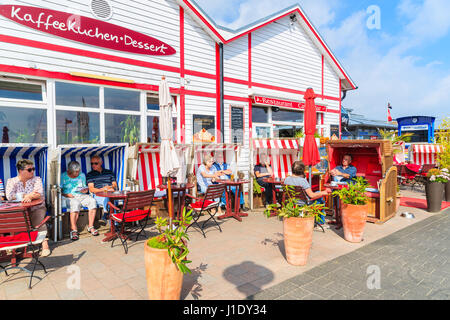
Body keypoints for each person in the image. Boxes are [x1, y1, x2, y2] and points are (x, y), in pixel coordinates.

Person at [5, 159, 50, 256]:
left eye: (33, 169)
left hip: (37, 207)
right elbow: (9, 196)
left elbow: (39, 193)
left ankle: (45, 245)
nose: (32, 171)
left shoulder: (36, 179)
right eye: (29, 170)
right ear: (20, 171)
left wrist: (29, 196)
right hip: (19, 210)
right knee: (16, 220)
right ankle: (15, 245)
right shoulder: (12, 181)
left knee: (38, 218)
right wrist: (27, 195)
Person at [284, 161, 332, 226]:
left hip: (292, 202)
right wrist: (324, 192)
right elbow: (312, 195)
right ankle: (320, 222)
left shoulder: (287, 179)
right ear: (302, 170)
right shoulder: (302, 181)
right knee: (319, 197)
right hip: (302, 203)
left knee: (318, 194)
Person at [61, 161, 99, 240]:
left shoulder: (82, 175)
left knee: (92, 201)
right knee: (75, 203)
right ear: (70, 171)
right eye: (76, 172)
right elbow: (59, 190)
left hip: (80, 195)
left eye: (78, 171)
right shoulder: (63, 176)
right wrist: (66, 194)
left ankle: (91, 226)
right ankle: (73, 229)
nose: (78, 173)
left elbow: (84, 187)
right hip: (68, 196)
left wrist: (84, 190)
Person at [86, 155, 118, 223]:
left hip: (110, 193)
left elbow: (114, 185)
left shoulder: (109, 172)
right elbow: (91, 189)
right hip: (98, 195)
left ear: (101, 163)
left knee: (108, 198)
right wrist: (103, 190)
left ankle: (106, 214)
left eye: (96, 163)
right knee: (109, 201)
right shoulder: (90, 174)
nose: (93, 165)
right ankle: (114, 224)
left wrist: (110, 188)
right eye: (92, 163)